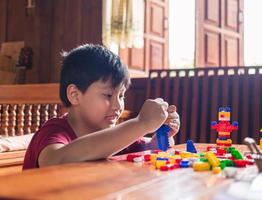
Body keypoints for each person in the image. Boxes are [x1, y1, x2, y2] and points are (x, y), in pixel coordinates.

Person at [23, 44, 180, 169]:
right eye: (108, 95)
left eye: (121, 96)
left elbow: (151, 146)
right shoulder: (53, 132)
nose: (118, 105)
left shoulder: (114, 137)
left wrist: (162, 134)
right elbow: (55, 161)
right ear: (75, 95)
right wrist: (141, 123)